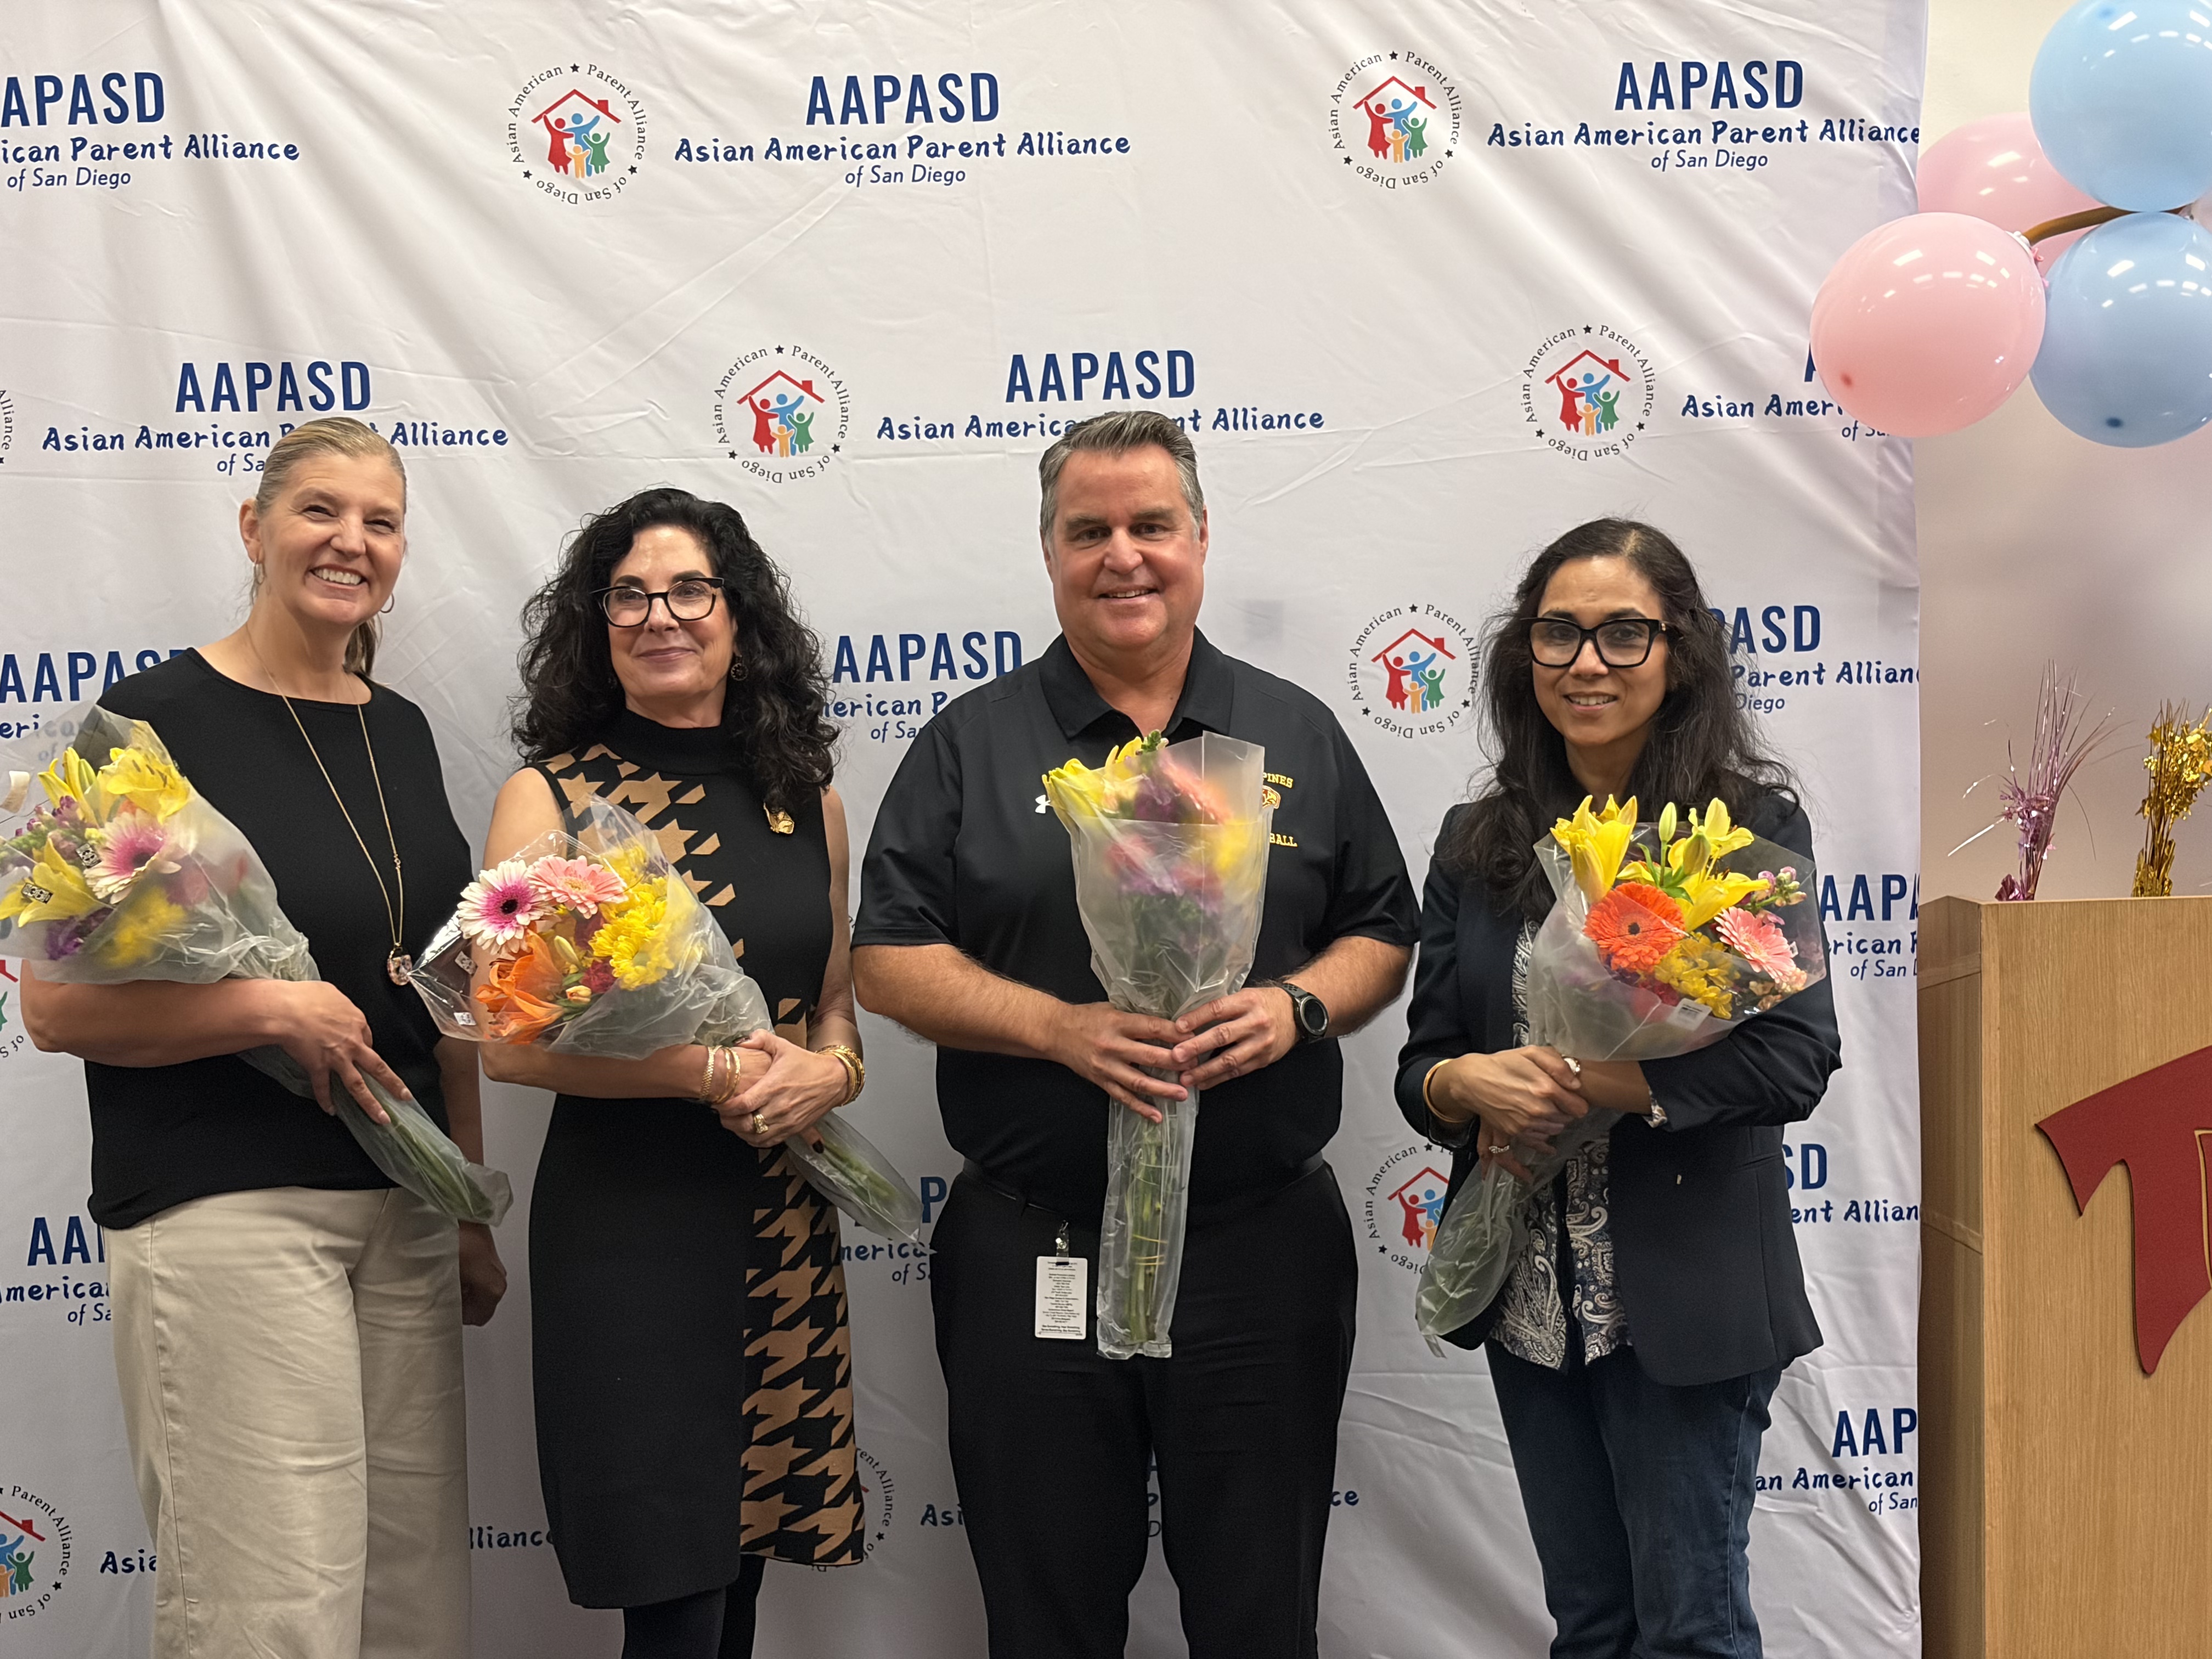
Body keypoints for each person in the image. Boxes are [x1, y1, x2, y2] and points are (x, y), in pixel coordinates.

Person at [852, 410, 1419, 1659]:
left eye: (1151, 526)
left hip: (1258, 1254)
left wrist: (1298, 1004)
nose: (1124, 556)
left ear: (1202, 539)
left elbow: (1384, 928)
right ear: (1049, 551)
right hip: (1034, 1255)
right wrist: (1057, 1028)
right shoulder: (970, 744)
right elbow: (886, 961)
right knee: (1045, 1612)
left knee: (1259, 1610)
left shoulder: (1297, 736)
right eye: (1089, 530)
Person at [20, 416, 501, 1659]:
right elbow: (54, 1007)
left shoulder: (397, 728)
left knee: (411, 1611)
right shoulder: (143, 725)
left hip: (397, 1211)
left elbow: (436, 987)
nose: (351, 541)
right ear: (254, 528)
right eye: (320, 512)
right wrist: (266, 1007)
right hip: (226, 1207)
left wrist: (464, 1205)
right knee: (270, 1616)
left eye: (380, 522)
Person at [1396, 518, 1842, 1659]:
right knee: (1591, 1624)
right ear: (1523, 655)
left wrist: (1595, 1078)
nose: (1586, 662)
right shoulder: (1477, 841)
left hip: (1683, 1296)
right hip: (1530, 1302)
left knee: (1690, 1631)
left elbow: (1793, 1059)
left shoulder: (1747, 832)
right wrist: (1466, 1082)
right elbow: (1423, 1065)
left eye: (1623, 634)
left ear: (1679, 652)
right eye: (1559, 634)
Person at [482, 487, 864, 1659]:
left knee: (740, 1564)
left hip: (781, 1216)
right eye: (630, 595)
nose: (662, 616)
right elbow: (507, 1043)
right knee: (673, 1577)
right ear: (596, 626)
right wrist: (703, 1073)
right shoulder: (547, 801)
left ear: (738, 614)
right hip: (632, 1232)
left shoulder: (813, 799)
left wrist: (834, 1078)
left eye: (690, 589)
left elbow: (836, 1005)